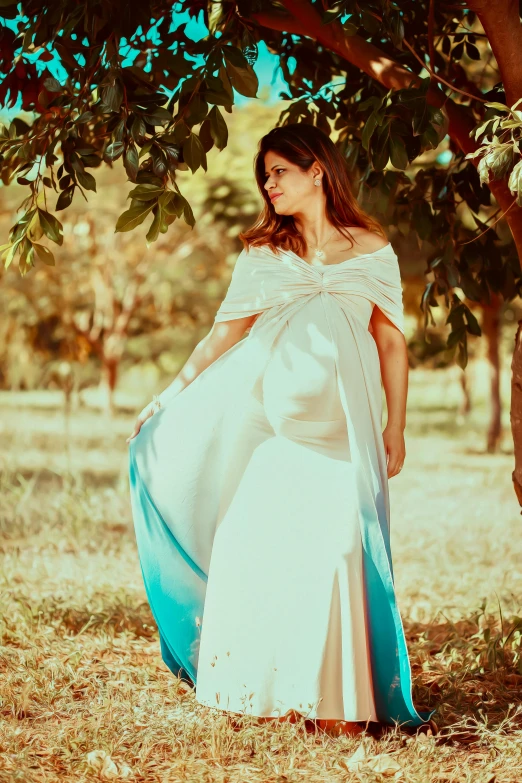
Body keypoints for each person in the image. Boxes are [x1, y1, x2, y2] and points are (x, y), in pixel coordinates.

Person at [127, 123, 436, 737]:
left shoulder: (374, 250)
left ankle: (338, 705)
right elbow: (223, 335)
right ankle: (258, 692)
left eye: (279, 172)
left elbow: (393, 344)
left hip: (343, 443)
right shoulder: (264, 255)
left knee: (341, 555)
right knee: (259, 550)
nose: (268, 185)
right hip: (275, 438)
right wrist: (167, 394)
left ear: (317, 170)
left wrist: (396, 428)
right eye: (264, 175)